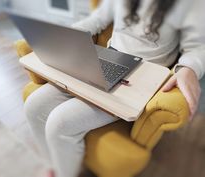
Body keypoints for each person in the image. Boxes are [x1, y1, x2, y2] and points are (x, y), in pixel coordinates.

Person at [24, 0, 205, 177]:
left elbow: (198, 46)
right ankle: (55, 166)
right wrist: (67, 36)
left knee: (59, 122)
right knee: (34, 105)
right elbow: (97, 20)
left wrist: (188, 68)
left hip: (143, 75)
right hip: (107, 58)